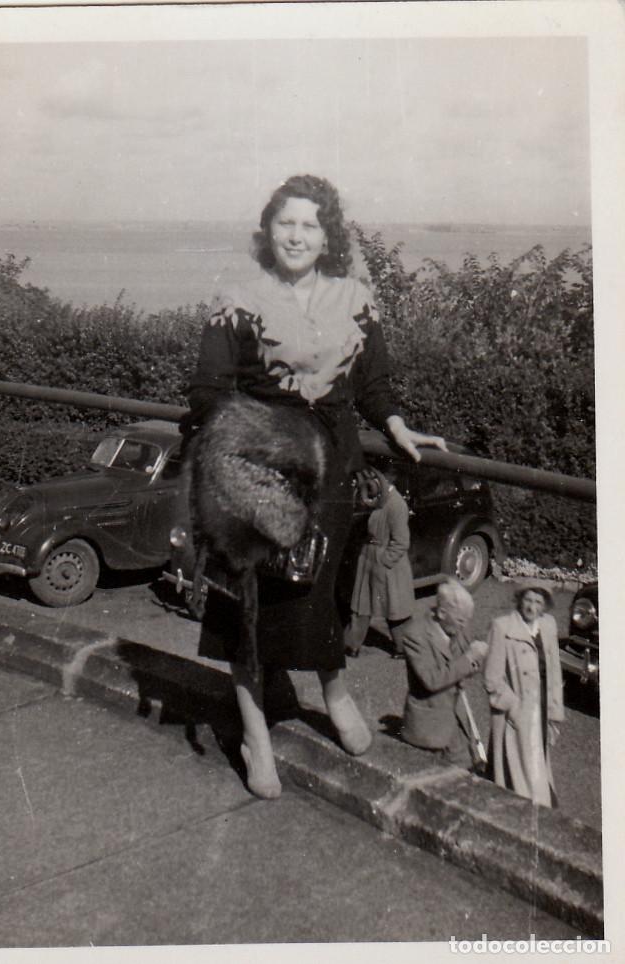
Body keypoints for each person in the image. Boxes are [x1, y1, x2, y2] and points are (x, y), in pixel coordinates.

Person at [182, 174, 446, 799]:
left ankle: (334, 693)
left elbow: (372, 385)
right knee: (247, 605)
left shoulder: (355, 297)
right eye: (286, 223)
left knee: (317, 593)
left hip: (330, 470)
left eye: (309, 225)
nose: (296, 236)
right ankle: (256, 736)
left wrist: (397, 426)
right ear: (267, 230)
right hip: (256, 471)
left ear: (328, 236)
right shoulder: (237, 297)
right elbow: (207, 392)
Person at [484, 585, 564, 807]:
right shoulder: (502, 627)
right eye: (528, 600)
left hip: (541, 708)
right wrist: (514, 707)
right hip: (515, 714)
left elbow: (554, 671)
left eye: (538, 602)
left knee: (536, 764)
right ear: (519, 600)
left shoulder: (548, 625)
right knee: (514, 772)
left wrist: (554, 712)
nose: (532, 607)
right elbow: (492, 679)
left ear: (545, 606)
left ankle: (538, 807)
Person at [400, 579, 488, 768]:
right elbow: (431, 680)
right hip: (429, 724)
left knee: (464, 768)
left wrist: (477, 660)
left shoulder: (459, 624)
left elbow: (467, 666)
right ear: (442, 613)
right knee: (429, 774)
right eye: (461, 621)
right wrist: (468, 659)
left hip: (455, 718)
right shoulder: (415, 634)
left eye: (467, 620)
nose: (465, 627)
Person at [344, 468, 414, 659]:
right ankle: (351, 644)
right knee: (361, 605)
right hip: (369, 557)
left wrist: (385, 560)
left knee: (395, 609)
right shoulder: (377, 500)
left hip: (388, 564)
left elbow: (401, 542)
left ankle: (402, 647)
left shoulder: (397, 504)